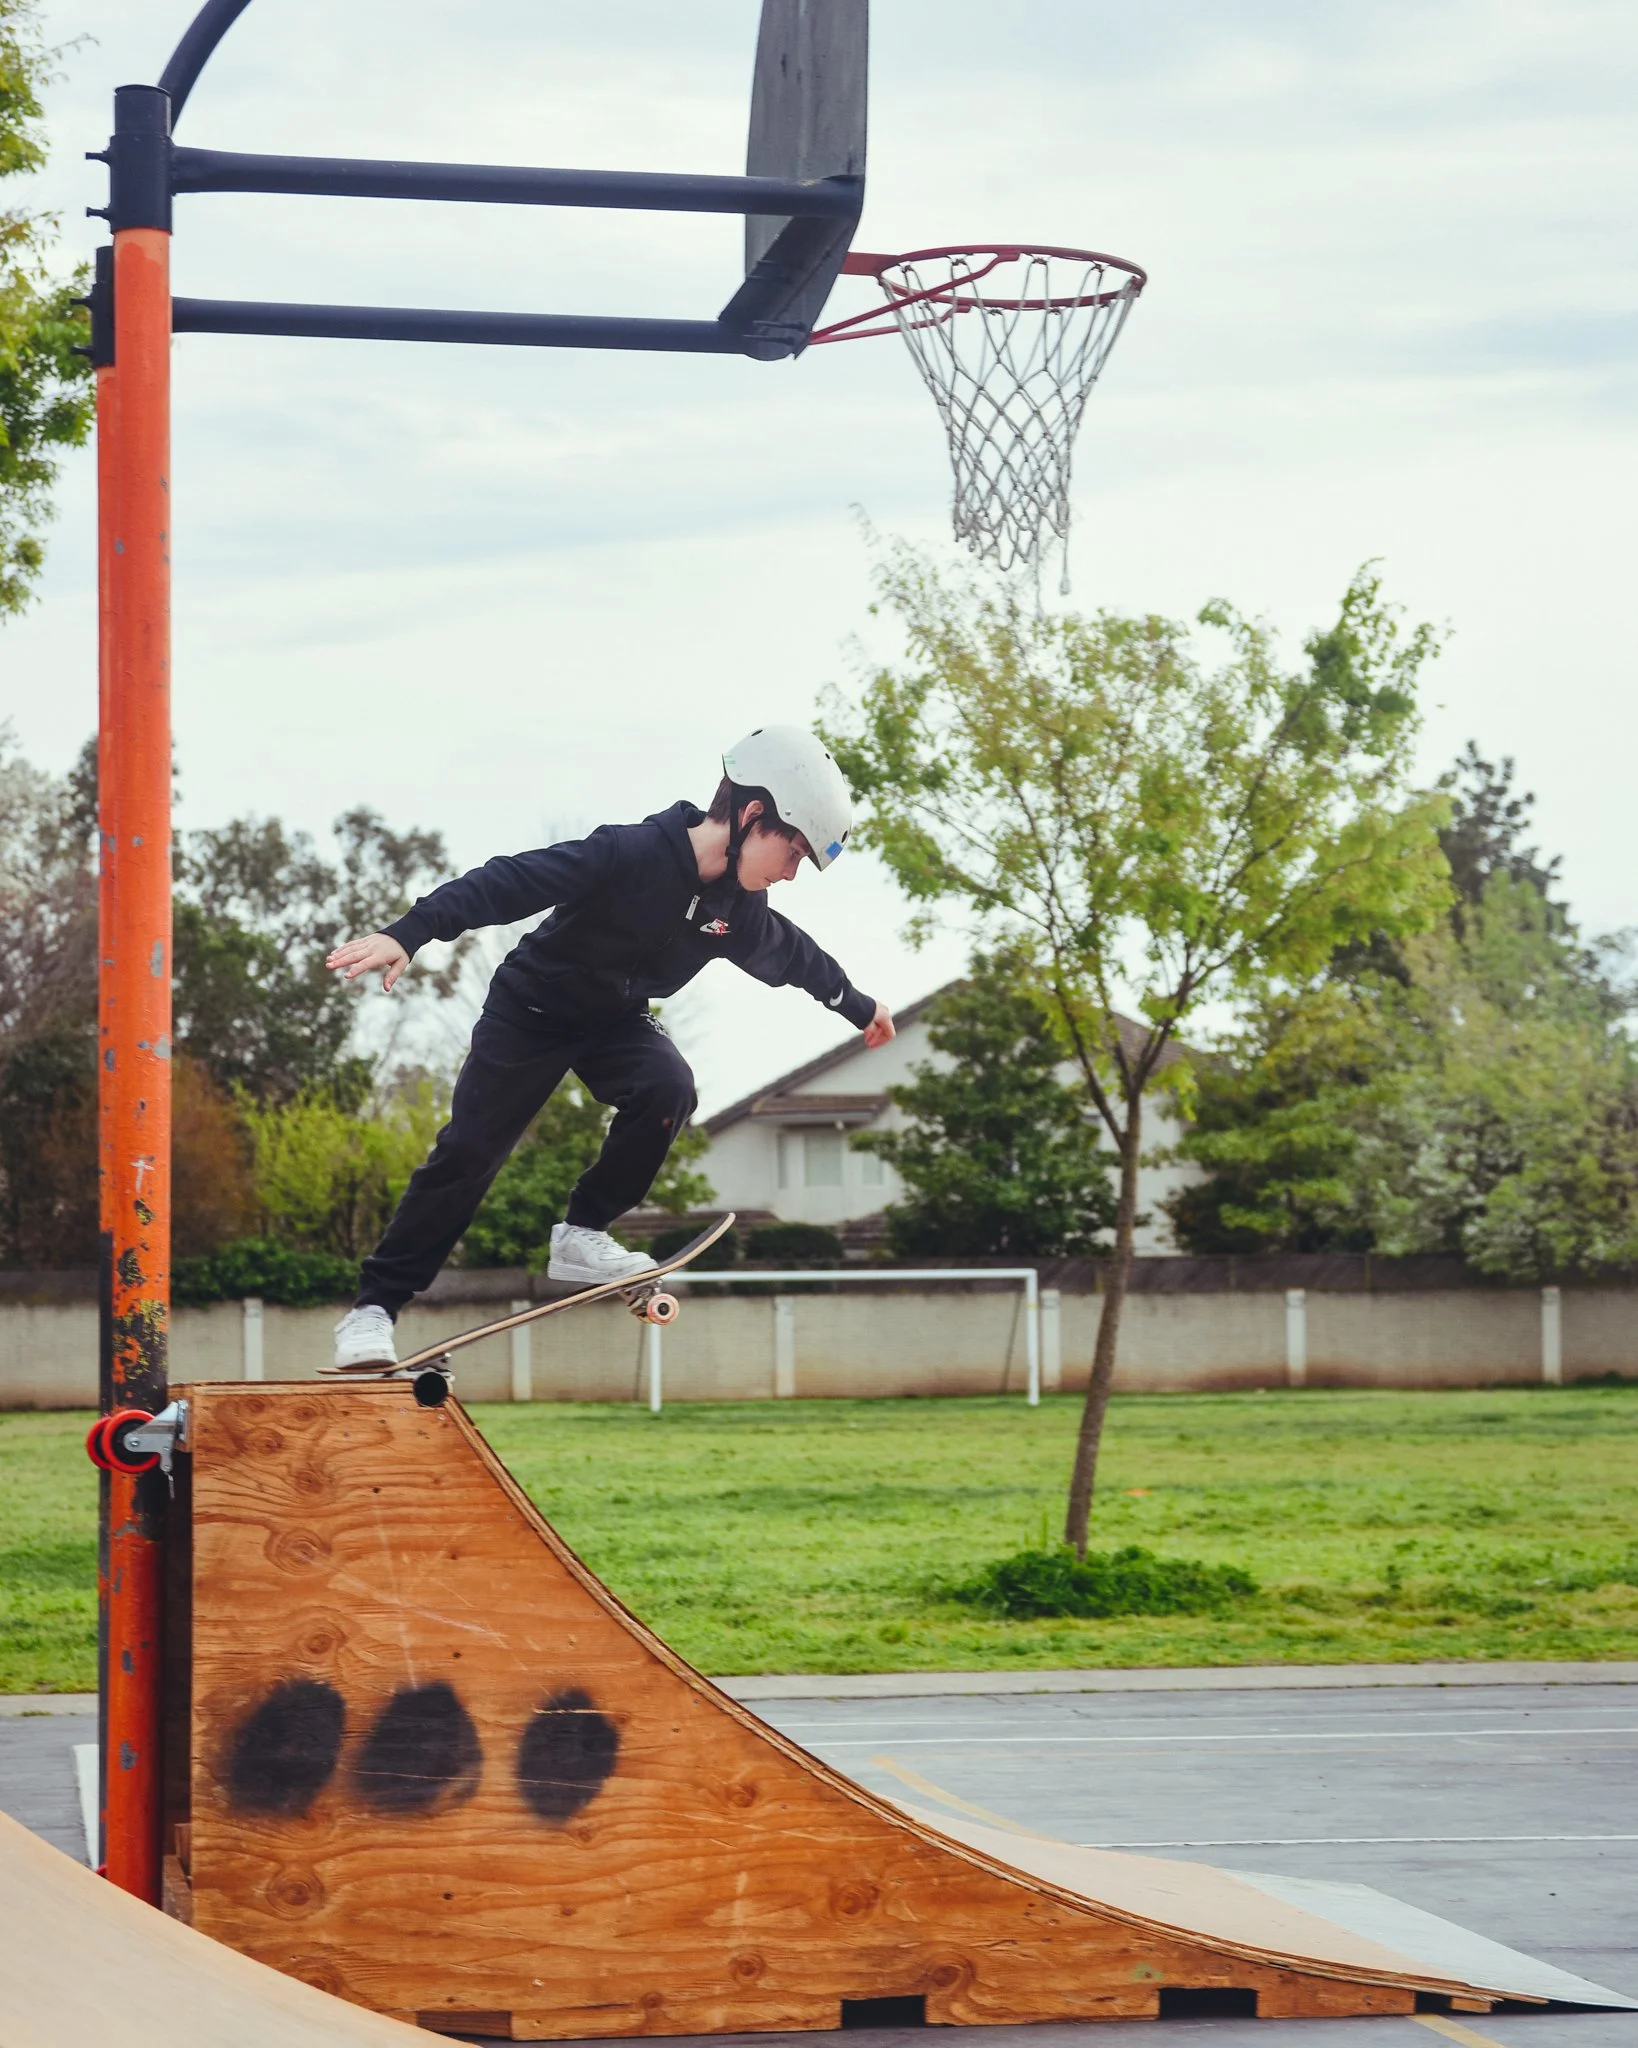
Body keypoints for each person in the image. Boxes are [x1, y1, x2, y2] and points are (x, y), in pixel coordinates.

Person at [326, 727, 895, 1368]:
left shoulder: (738, 909)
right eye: (791, 853)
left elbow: (791, 954)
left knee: (668, 1088)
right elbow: (509, 882)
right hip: (530, 1011)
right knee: (469, 1154)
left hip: (615, 1021)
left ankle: (583, 1232)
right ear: (752, 814)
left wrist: (854, 1003)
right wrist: (411, 931)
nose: (790, 874)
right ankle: (372, 1311)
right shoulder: (629, 853)